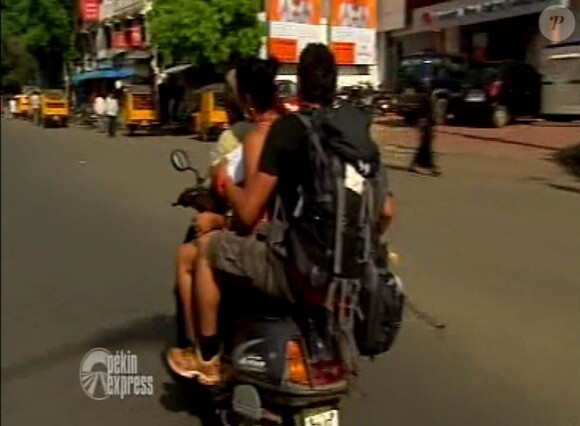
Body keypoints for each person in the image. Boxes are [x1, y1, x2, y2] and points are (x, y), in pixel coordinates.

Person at [166, 44, 394, 385]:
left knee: (207, 253)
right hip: (346, 278)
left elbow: (246, 214)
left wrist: (227, 185)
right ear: (336, 82)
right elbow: (387, 209)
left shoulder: (289, 130)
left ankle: (208, 358)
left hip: (295, 272)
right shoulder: (354, 134)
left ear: (299, 82)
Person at [168, 58, 283, 367]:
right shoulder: (296, 128)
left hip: (268, 243)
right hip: (296, 241)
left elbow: (248, 212)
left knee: (196, 253)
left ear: (244, 100)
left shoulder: (252, 138)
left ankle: (204, 352)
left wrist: (225, 183)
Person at [408, 94, 441, 176]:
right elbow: (428, 116)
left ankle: (415, 165)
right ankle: (430, 167)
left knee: (424, 147)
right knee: (425, 147)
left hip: (426, 126)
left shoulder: (426, 103)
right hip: (426, 126)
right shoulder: (427, 105)